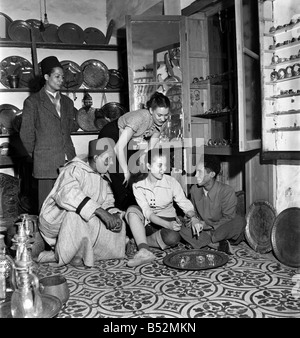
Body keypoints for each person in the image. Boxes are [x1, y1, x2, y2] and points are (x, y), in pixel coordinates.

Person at [36, 138, 126, 267]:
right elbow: (68, 195)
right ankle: (60, 253)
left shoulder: (103, 176)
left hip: (79, 220)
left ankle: (76, 251)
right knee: (76, 215)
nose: (111, 163)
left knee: (118, 220)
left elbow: (107, 201)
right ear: (95, 158)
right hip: (55, 220)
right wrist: (101, 212)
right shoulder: (74, 169)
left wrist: (113, 214)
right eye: (108, 159)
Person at [124, 147, 201, 267]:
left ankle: (137, 241)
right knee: (131, 211)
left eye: (165, 165)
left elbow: (185, 204)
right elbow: (147, 212)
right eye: (160, 165)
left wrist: (194, 217)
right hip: (147, 222)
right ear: (148, 166)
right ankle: (144, 250)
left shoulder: (171, 182)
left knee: (173, 238)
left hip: (167, 220)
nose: (164, 169)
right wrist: (167, 225)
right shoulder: (137, 185)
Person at [20, 56, 76, 212]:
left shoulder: (68, 102)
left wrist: (70, 154)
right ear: (46, 77)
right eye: (57, 76)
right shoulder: (33, 102)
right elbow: (26, 134)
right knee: (46, 209)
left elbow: (67, 130)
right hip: (45, 163)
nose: (61, 80)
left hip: (67, 161)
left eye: (62, 77)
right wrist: (38, 154)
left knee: (68, 205)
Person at [98, 91, 170, 211]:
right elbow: (118, 148)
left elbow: (150, 147)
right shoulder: (139, 118)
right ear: (151, 111)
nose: (163, 119)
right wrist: (125, 171)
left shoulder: (161, 121)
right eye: (159, 115)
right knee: (121, 174)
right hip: (111, 135)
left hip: (128, 140)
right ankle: (122, 210)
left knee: (137, 170)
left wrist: (144, 160)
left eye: (166, 115)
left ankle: (136, 206)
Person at [179, 155, 246, 255]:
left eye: (200, 172)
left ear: (212, 174)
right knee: (181, 227)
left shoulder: (227, 191)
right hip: (203, 228)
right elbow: (193, 213)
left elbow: (228, 218)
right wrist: (193, 221)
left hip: (220, 227)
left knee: (238, 222)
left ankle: (204, 241)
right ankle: (217, 244)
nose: (196, 175)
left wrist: (206, 225)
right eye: (196, 171)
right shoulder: (194, 190)